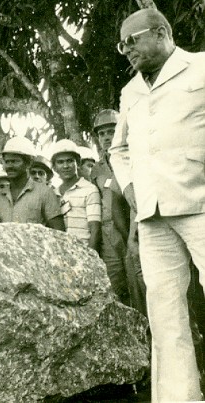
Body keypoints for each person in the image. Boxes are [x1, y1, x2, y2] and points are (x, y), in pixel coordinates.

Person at [110, 8, 205, 401]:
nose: (125, 50)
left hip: (200, 203)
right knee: (165, 316)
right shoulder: (131, 90)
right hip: (152, 216)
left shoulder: (200, 67)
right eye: (121, 45)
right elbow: (118, 149)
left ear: (162, 32)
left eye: (132, 40)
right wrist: (134, 192)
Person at [90, 109, 146, 312]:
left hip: (132, 226)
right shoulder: (96, 169)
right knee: (115, 285)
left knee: (139, 281)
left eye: (111, 131)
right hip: (108, 233)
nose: (106, 137)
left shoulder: (133, 159)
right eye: (102, 133)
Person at [0, 136, 65, 230]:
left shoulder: (45, 193)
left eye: (15, 161)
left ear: (28, 163)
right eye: (7, 162)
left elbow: (59, 231)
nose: (10, 166)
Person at [51, 140, 101, 252]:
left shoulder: (90, 189)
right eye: (60, 162)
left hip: (83, 251)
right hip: (61, 253)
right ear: (54, 167)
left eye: (70, 161)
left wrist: (91, 257)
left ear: (77, 164)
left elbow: (95, 229)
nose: (65, 166)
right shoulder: (53, 194)